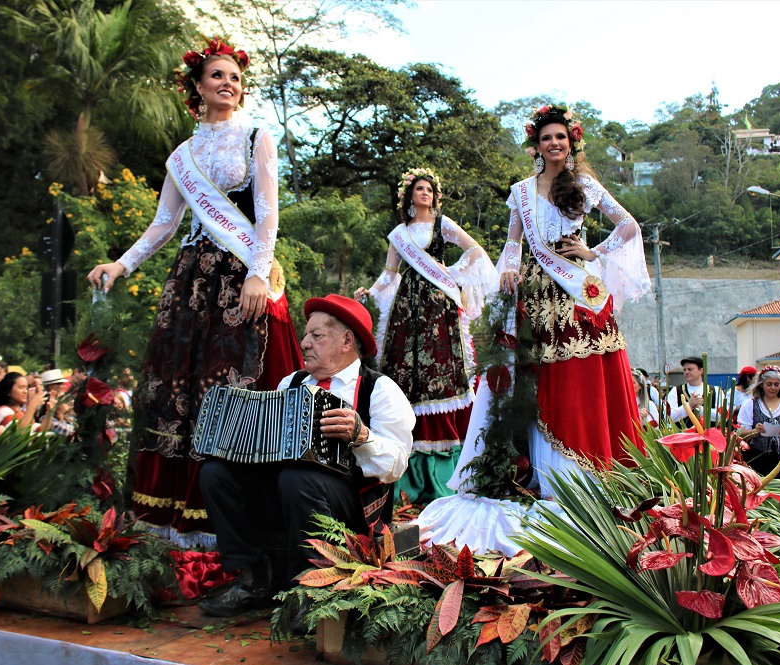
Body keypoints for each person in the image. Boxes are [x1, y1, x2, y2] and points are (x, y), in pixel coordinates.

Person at [86, 38, 303, 547]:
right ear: (197, 88)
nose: (228, 83)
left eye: (234, 77)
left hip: (240, 274)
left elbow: (269, 214)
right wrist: (121, 264)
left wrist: (257, 270)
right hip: (191, 280)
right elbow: (165, 223)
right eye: (217, 77)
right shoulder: (182, 155)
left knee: (238, 385)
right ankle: (175, 514)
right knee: (181, 389)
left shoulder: (255, 138)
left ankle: (246, 519)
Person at [197, 294, 415, 617]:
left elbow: (396, 463)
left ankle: (309, 592)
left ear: (346, 341)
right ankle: (252, 579)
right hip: (289, 494)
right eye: (306, 335)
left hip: (353, 507)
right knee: (215, 473)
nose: (304, 343)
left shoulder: (379, 389)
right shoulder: (292, 383)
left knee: (296, 478)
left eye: (317, 335)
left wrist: (362, 436)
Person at [498, 104, 650, 495]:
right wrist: (510, 268)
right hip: (536, 289)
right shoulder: (521, 192)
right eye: (546, 137)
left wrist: (592, 252)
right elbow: (514, 239)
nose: (553, 143)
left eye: (560, 137)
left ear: (571, 143)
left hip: (577, 287)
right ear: (536, 145)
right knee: (541, 377)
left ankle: (592, 469)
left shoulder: (585, 185)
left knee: (583, 372)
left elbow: (629, 226)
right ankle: (550, 475)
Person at [353, 168, 496, 504]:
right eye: (419, 189)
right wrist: (369, 292)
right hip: (407, 311)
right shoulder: (399, 234)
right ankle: (407, 452)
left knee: (441, 370)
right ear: (409, 195)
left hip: (438, 308)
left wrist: (453, 272)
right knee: (406, 372)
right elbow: (389, 274)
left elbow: (474, 250)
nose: (425, 194)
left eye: (429, 190)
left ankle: (444, 462)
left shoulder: (442, 224)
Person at [736, 366, 780, 477]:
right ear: (761, 384)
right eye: (769, 384)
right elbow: (739, 433)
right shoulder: (750, 404)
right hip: (756, 459)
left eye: (776, 384)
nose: (773, 388)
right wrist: (755, 431)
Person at [665, 357, 725, 428]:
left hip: (709, 437)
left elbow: (724, 417)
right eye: (684, 370)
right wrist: (689, 405)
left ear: (701, 371)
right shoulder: (675, 391)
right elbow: (668, 417)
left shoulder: (716, 390)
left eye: (690, 369)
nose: (686, 372)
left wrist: (700, 409)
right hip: (683, 437)